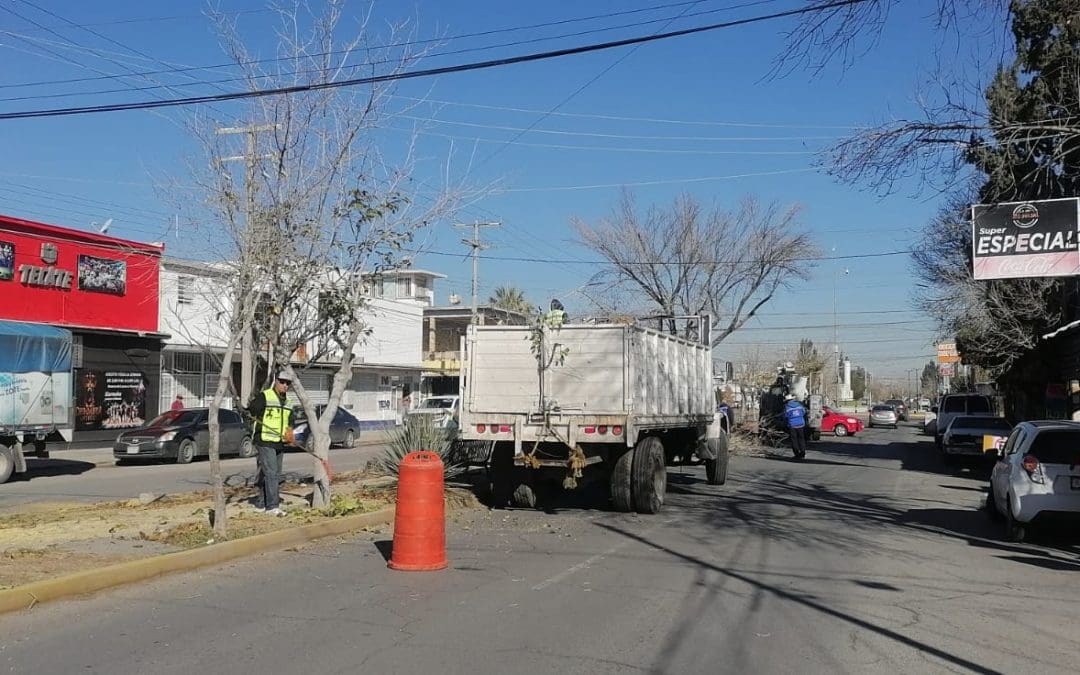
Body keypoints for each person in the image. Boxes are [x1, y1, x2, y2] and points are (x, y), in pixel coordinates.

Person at [247, 371, 295, 516]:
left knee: (271, 474)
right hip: (264, 439)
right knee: (272, 473)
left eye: (288, 383)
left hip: (279, 442)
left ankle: (262, 503)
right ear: (276, 381)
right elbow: (252, 410)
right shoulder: (265, 396)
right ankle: (272, 507)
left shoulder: (289, 402)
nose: (285, 385)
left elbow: (290, 420)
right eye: (282, 381)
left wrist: (289, 432)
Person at [783, 394, 808, 459]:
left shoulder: (787, 407)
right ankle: (802, 453)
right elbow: (804, 412)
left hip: (792, 425)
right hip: (801, 424)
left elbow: (785, 416)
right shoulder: (800, 405)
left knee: (794, 440)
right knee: (801, 439)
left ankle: (797, 454)